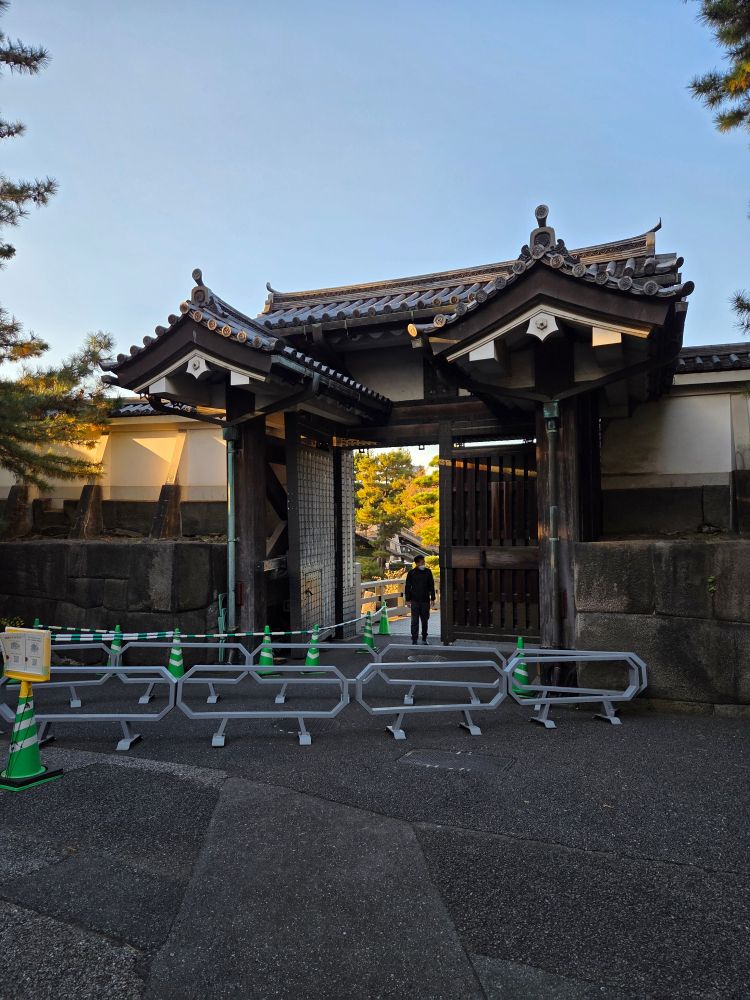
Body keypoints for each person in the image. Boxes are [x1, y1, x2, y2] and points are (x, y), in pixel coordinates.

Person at [404, 554, 436, 645]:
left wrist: (433, 598)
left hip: (425, 600)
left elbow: (431, 585)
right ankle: (414, 639)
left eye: (424, 562)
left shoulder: (428, 572)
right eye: (422, 562)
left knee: (425, 620)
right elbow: (407, 587)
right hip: (414, 600)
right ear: (417, 563)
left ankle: (424, 638)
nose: (424, 564)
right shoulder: (411, 573)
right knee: (414, 621)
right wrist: (407, 599)